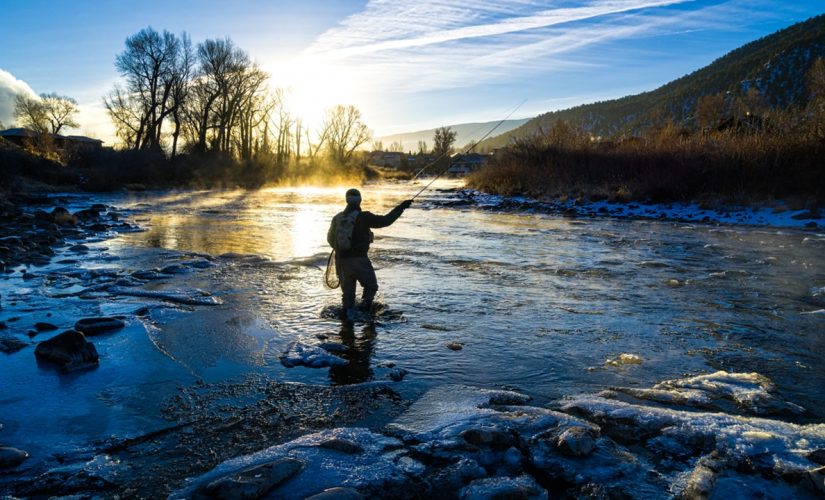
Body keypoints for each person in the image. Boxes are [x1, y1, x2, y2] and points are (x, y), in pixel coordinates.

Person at [327, 188, 412, 317]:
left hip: (341, 260)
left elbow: (329, 238)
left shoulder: (337, 218)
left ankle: (347, 322)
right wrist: (401, 207)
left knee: (347, 295)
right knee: (371, 286)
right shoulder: (364, 217)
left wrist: (343, 250)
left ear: (346, 200)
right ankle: (365, 310)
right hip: (360, 260)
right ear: (360, 200)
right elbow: (386, 221)